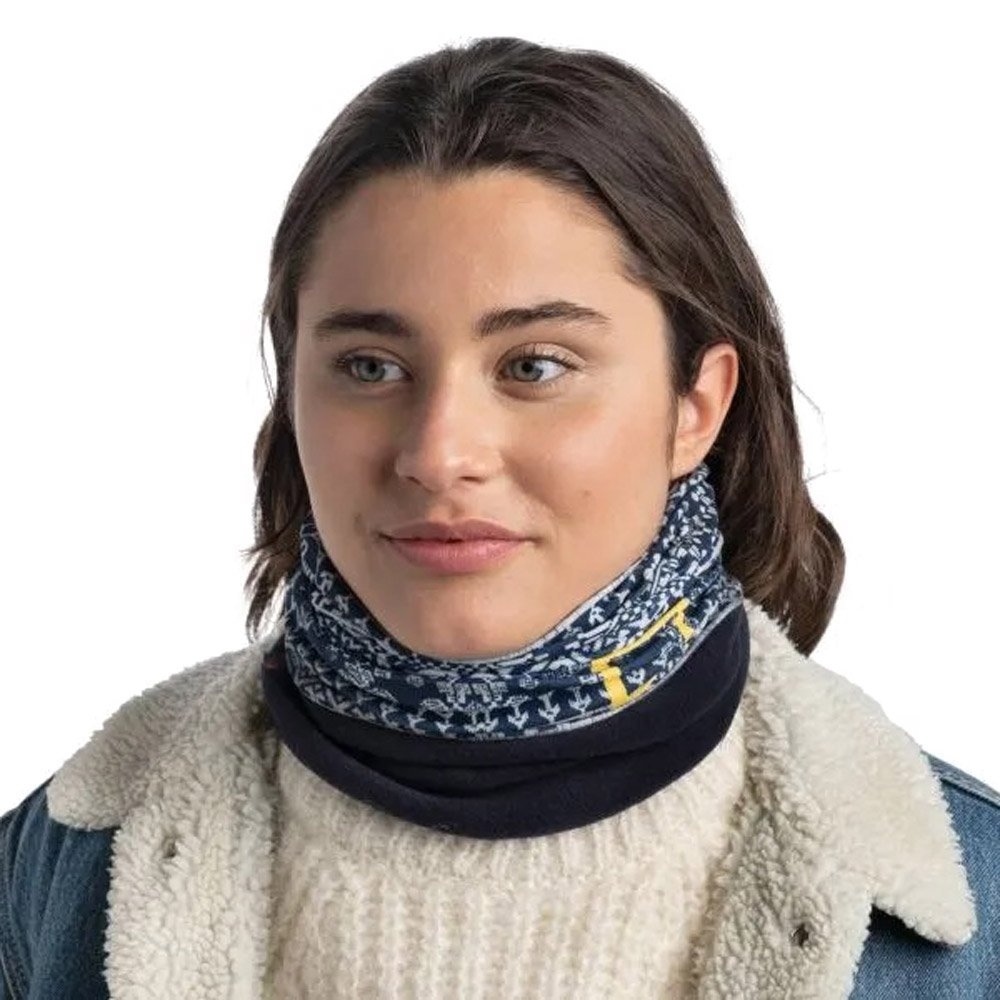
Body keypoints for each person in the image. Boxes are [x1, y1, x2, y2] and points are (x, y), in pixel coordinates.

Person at [1, 36, 997, 1000]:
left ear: (696, 406)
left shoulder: (975, 916)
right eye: (369, 367)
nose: (439, 453)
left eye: (535, 366)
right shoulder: (52, 867)